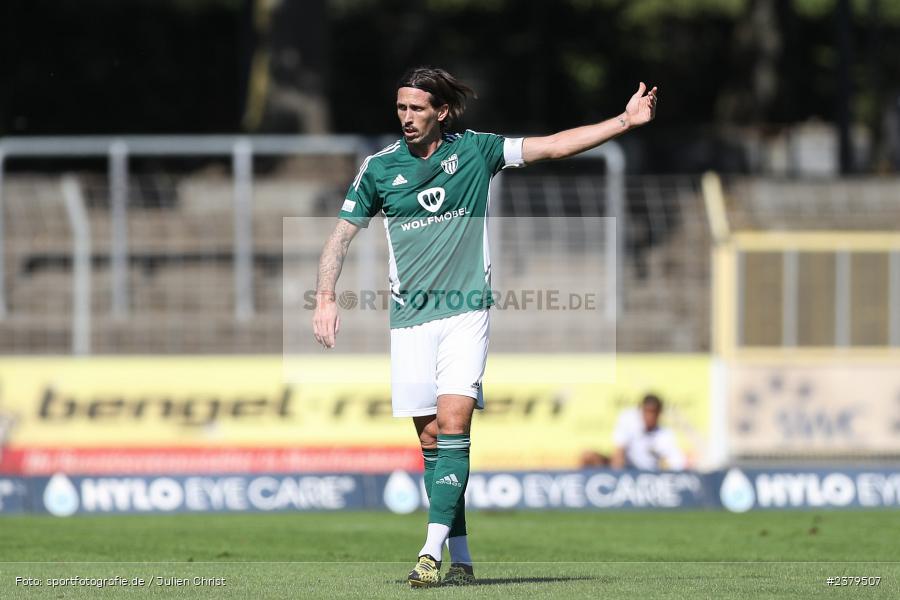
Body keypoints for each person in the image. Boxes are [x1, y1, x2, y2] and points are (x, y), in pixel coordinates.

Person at [312, 66, 657, 588]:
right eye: (401, 107)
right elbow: (340, 236)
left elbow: (553, 147)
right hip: (409, 321)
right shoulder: (379, 169)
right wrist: (324, 297)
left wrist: (624, 122)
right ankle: (463, 558)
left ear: (441, 111)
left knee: (454, 425)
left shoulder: (476, 151)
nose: (406, 117)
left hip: (466, 310)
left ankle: (428, 553)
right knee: (432, 442)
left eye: (417, 108)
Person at [609, 394, 686, 471]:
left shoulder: (665, 434)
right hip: (628, 470)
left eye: (653, 412)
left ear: (659, 413)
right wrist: (618, 474)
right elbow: (619, 453)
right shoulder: (627, 420)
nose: (650, 416)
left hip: (651, 473)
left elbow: (676, 462)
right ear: (641, 410)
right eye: (647, 411)